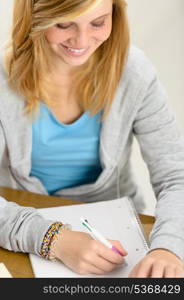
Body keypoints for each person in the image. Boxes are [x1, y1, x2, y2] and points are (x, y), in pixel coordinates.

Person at [0, 0, 184, 278]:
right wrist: (53, 239)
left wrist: (168, 248)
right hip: (20, 227)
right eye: (64, 24)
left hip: (118, 232)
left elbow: (176, 176)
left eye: (98, 23)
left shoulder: (135, 73)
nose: (82, 40)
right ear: (35, 17)